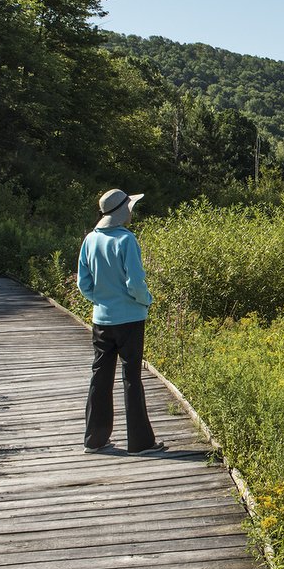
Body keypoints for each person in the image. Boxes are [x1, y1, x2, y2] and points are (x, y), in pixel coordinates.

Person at [77, 188, 165, 454]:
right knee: (131, 377)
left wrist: (101, 300)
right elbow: (135, 283)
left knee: (100, 377)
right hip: (130, 319)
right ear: (122, 212)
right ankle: (140, 443)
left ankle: (95, 439)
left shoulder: (90, 240)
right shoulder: (126, 241)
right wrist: (145, 301)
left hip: (101, 319)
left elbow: (84, 284)